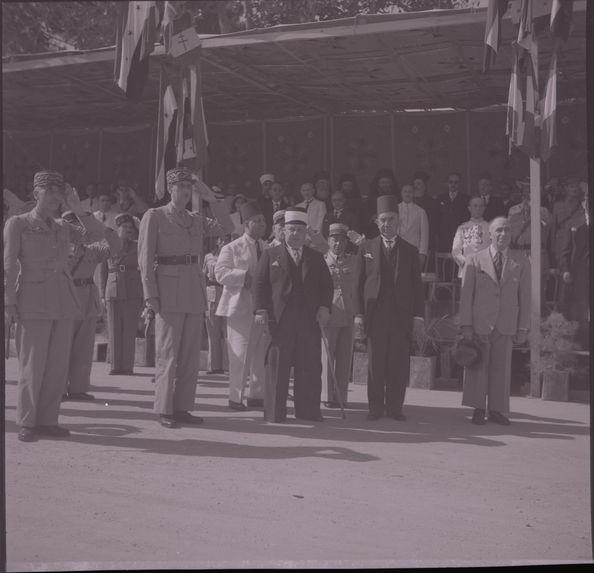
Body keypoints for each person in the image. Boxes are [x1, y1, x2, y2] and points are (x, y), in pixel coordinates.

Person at [4, 170, 105, 442]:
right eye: (48, 192)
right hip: (32, 301)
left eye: (58, 193)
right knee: (32, 365)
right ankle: (27, 421)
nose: (54, 198)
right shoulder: (19, 223)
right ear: (35, 193)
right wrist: (9, 302)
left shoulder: (63, 226)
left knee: (57, 366)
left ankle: (48, 420)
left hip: (63, 300)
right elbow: (10, 264)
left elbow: (97, 236)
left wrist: (78, 208)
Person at [138, 167, 234, 429]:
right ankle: (164, 408)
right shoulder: (155, 216)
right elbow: (145, 259)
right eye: (179, 187)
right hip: (167, 291)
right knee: (168, 354)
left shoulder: (195, 219)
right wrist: (150, 296)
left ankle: (181, 407)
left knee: (190, 355)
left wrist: (212, 199)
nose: (183, 192)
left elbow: (227, 227)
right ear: (170, 189)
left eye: (188, 188)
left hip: (193, 290)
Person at [253, 207, 333, 422]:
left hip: (308, 322)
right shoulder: (270, 255)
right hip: (279, 322)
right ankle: (274, 414)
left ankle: (308, 413)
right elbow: (259, 285)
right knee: (277, 368)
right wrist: (261, 310)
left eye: (299, 230)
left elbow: (327, 286)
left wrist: (325, 307)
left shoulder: (315, 257)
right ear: (283, 231)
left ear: (306, 232)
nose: (295, 234)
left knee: (309, 367)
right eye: (291, 230)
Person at [354, 195, 425, 421]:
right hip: (375, 315)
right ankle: (375, 408)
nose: (387, 224)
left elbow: (417, 287)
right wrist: (358, 315)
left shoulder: (410, 251)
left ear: (399, 221)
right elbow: (358, 283)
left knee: (398, 362)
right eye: (383, 220)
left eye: (391, 219)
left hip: (400, 316)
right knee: (375, 364)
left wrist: (418, 317)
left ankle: (395, 408)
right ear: (377, 222)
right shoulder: (366, 247)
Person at [459, 217, 531, 426]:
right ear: (490, 234)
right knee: (477, 366)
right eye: (498, 230)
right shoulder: (474, 259)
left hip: (506, 323)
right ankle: (478, 408)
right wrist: (466, 324)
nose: (503, 234)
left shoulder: (521, 261)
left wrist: (523, 326)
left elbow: (525, 296)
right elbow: (466, 295)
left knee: (501, 368)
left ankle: (497, 410)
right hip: (480, 322)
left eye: (507, 231)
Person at [215, 201, 269, 410]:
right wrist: (244, 277)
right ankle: (235, 397)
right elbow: (220, 273)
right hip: (239, 307)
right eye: (258, 221)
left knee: (259, 354)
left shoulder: (267, 247)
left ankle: (257, 395)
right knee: (239, 354)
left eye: (264, 220)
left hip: (261, 309)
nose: (262, 224)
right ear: (247, 224)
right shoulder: (232, 247)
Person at [62, 210, 121, 400]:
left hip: (87, 298)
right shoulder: (58, 249)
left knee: (83, 347)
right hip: (66, 299)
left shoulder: (92, 250)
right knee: (61, 347)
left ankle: (78, 389)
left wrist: (100, 227)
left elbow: (116, 246)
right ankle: (58, 388)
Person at [101, 213, 144, 375]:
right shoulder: (108, 245)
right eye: (124, 227)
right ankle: (115, 366)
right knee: (114, 329)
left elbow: (149, 245)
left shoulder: (137, 245)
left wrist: (141, 228)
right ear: (117, 228)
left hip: (133, 290)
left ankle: (127, 366)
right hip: (113, 290)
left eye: (130, 227)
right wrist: (101, 294)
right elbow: (102, 271)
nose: (128, 230)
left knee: (129, 330)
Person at [321, 223, 357, 409]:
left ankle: (341, 396)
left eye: (342, 240)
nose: (338, 244)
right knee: (327, 356)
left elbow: (373, 258)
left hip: (349, 314)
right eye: (334, 240)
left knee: (344, 357)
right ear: (328, 241)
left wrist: (362, 242)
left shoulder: (354, 260)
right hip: (330, 313)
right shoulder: (322, 260)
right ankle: (327, 395)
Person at [559, 191, 589, 348]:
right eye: (588, 200)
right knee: (581, 310)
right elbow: (565, 250)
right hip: (580, 275)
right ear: (584, 203)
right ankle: (583, 344)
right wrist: (565, 270)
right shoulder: (573, 223)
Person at [202, 235, 229, 374]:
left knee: (228, 331)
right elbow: (203, 275)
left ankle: (228, 365)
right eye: (222, 239)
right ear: (217, 241)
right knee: (212, 330)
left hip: (227, 291)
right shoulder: (208, 257)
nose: (224, 241)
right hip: (211, 292)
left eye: (227, 239)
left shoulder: (232, 255)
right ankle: (214, 365)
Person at [451, 196, 491, 278]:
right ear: (469, 208)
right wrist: (467, 264)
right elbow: (455, 251)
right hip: (467, 270)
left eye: (480, 206)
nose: (478, 209)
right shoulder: (462, 228)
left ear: (484, 208)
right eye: (475, 206)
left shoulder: (490, 228)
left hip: (486, 271)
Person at [436, 171, 469, 254]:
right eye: (451, 182)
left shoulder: (466, 199)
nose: (453, 184)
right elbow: (437, 219)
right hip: (444, 239)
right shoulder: (440, 198)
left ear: (459, 184)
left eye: (456, 182)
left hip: (460, 238)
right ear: (447, 183)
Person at [397, 183, 429, 269]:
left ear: (414, 193)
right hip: (398, 249)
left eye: (410, 191)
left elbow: (424, 234)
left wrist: (422, 253)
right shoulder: (395, 209)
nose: (407, 194)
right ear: (401, 193)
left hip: (414, 249)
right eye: (405, 191)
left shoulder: (420, 211)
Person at [412, 171, 439, 267]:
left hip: (426, 242)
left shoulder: (432, 203)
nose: (416, 186)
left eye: (419, 184)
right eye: (414, 184)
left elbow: (433, 225)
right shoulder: (409, 202)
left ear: (424, 186)